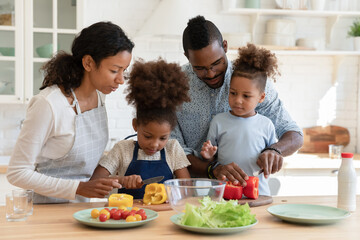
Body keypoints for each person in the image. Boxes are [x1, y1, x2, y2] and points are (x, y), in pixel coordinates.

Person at [7, 22, 135, 203]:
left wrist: (113, 180)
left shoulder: (100, 98)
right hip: (43, 211)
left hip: (79, 211)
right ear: (88, 63)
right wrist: (80, 188)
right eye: (114, 70)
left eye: (124, 70)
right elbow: (17, 173)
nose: (121, 80)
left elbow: (83, 168)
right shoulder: (48, 104)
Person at [171, 15, 303, 187]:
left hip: (245, 189)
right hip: (193, 187)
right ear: (187, 57)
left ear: (225, 46)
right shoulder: (173, 86)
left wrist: (274, 150)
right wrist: (212, 168)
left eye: (216, 63)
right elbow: (172, 148)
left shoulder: (250, 79)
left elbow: (293, 134)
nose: (210, 73)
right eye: (200, 68)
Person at [91, 59, 191, 199]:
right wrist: (122, 180)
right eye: (148, 136)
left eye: (163, 138)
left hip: (163, 214)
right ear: (135, 125)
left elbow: (186, 189)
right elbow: (95, 181)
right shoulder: (122, 150)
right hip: (127, 216)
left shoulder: (173, 149)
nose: (155, 144)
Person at [200, 43, 281, 196]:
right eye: (233, 93)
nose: (237, 100)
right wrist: (208, 156)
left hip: (259, 193)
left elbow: (272, 157)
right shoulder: (218, 121)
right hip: (225, 193)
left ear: (261, 97)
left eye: (246, 96)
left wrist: (272, 162)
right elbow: (211, 159)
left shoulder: (266, 125)